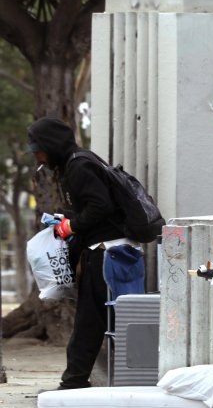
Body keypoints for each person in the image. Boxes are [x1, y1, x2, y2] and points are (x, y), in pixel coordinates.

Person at [28, 117, 140, 390]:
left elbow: (100, 207)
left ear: (51, 146)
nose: (37, 156)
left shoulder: (79, 166)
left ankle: (75, 382)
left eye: (38, 149)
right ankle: (78, 380)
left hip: (107, 254)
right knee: (104, 319)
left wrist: (72, 225)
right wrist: (65, 218)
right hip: (110, 252)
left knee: (91, 321)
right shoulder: (77, 163)